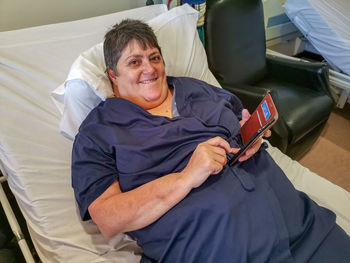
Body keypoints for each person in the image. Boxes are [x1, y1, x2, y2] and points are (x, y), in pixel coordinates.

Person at [71, 19, 350, 263]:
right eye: (134, 62)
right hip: (217, 248)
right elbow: (107, 217)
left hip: (301, 225)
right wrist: (185, 177)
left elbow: (238, 117)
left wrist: (247, 133)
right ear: (112, 75)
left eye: (155, 58)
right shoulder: (97, 132)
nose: (150, 69)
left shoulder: (197, 88)